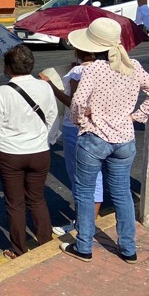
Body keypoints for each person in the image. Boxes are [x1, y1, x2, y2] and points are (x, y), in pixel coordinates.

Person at [62, 18, 149, 264]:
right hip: (125, 139)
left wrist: (82, 122)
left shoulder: (93, 70)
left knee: (85, 192)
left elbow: (77, 102)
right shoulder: (133, 66)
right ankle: (128, 248)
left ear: (92, 47)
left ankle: (84, 246)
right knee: (122, 193)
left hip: (95, 138)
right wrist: (137, 116)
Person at [0, 44, 57, 259]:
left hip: (11, 154)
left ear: (8, 68)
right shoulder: (44, 87)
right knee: (37, 199)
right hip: (40, 151)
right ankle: (46, 241)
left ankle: (19, 249)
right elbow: (52, 117)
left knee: (15, 203)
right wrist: (48, 140)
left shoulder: (2, 92)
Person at [39, 49, 104, 236]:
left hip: (75, 127)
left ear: (78, 50)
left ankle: (82, 225)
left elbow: (74, 103)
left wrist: (50, 84)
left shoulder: (78, 73)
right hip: (98, 126)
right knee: (95, 175)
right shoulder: (106, 69)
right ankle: (89, 221)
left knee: (78, 177)